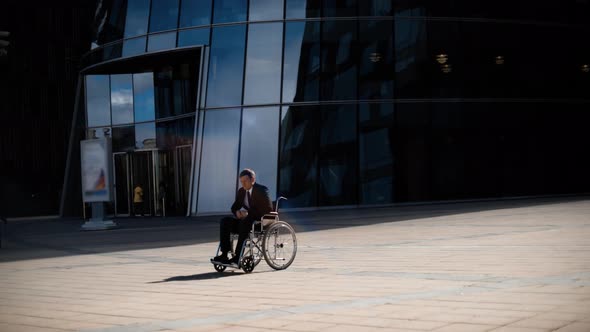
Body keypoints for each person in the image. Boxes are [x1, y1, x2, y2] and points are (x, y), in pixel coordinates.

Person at [212, 169, 272, 266]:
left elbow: (268, 209)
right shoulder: (241, 191)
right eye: (241, 182)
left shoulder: (261, 190)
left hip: (259, 222)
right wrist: (237, 212)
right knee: (225, 221)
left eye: (245, 181)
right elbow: (234, 207)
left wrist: (248, 213)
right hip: (246, 222)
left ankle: (237, 257)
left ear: (252, 179)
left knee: (245, 222)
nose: (243, 184)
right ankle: (224, 254)